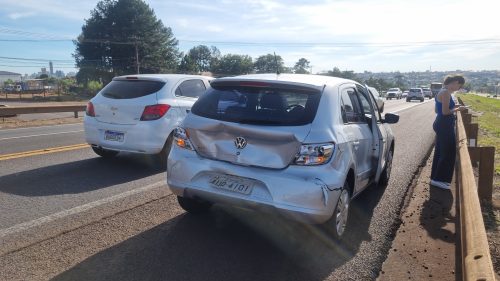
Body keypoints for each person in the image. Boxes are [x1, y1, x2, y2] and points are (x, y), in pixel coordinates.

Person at [430, 74, 467, 190]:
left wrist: (454, 105)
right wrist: (457, 109)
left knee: (441, 151)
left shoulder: (442, 91)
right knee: (448, 152)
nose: (458, 88)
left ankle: (435, 178)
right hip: (444, 125)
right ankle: (439, 179)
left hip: (441, 123)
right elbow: (445, 112)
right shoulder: (446, 93)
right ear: (455, 82)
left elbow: (438, 109)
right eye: (459, 85)